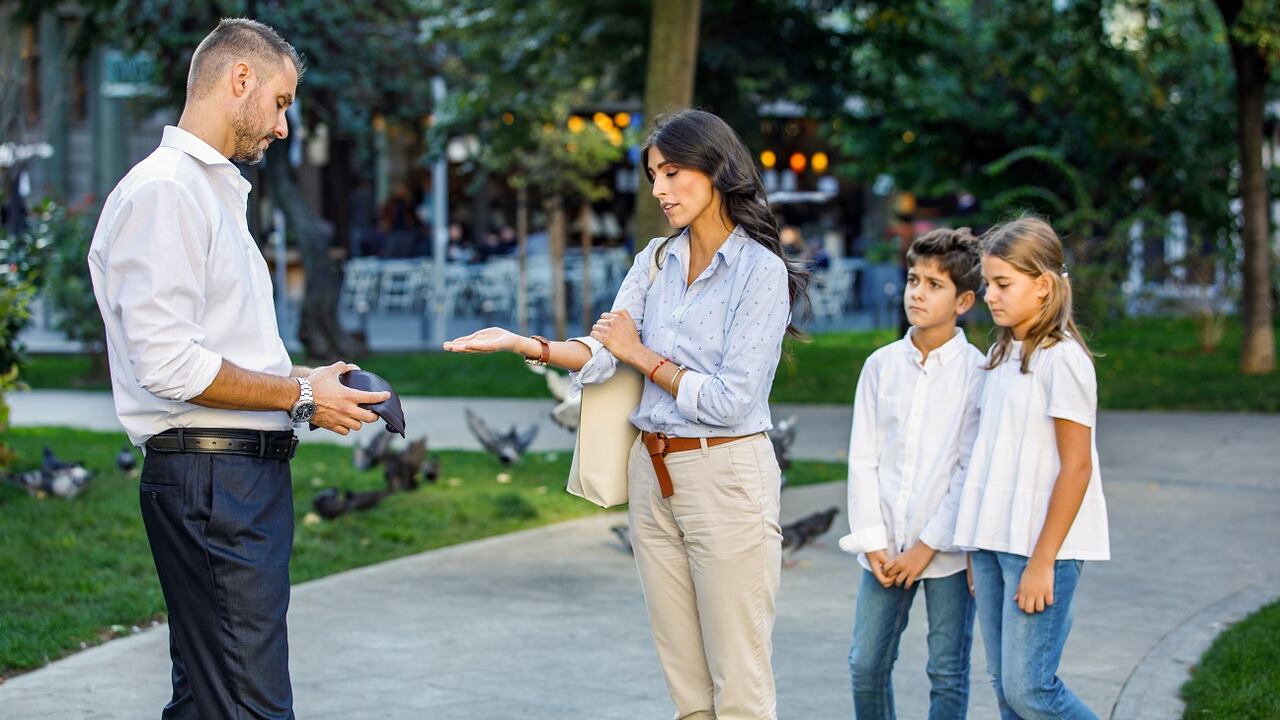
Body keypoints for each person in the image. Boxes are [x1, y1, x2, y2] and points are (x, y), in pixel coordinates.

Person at [444, 109, 809, 720]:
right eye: (652, 176)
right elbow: (603, 352)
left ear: (716, 167)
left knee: (739, 686)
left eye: (672, 172)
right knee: (687, 686)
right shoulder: (656, 260)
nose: (659, 190)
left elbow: (731, 400)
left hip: (725, 477)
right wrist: (524, 344)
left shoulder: (760, 271)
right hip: (653, 473)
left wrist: (642, 354)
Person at [87, 19, 388, 720]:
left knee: (207, 700)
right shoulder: (167, 191)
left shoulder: (206, 192)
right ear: (240, 80)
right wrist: (301, 394)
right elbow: (168, 363)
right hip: (214, 482)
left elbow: (210, 345)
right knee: (249, 706)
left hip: (226, 480)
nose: (284, 126)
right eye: (282, 102)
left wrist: (303, 378)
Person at [948, 216, 1110, 719]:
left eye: (1002, 284)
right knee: (1005, 688)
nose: (990, 296)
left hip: (1041, 550)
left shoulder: (1064, 361)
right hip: (994, 544)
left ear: (1042, 286)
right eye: (987, 284)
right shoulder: (999, 355)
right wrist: (974, 542)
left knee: (1030, 690)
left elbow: (1076, 468)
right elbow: (986, 454)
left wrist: (1043, 562)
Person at [840, 227, 985, 719]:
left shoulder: (979, 373)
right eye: (913, 279)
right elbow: (863, 458)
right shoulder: (880, 366)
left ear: (964, 300)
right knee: (866, 664)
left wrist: (927, 546)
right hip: (884, 550)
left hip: (945, 551)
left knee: (947, 672)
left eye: (934, 285)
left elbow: (968, 471)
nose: (917, 293)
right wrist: (874, 542)